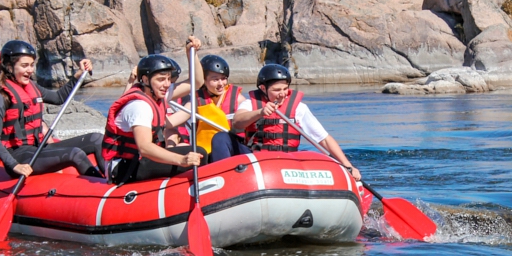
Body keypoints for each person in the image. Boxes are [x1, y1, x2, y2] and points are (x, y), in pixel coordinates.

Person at [0, 40, 105, 179]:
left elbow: (59, 97)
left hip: (38, 149)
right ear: (9, 67)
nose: (30, 70)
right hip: (19, 156)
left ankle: (112, 180)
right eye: (24, 66)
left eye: (31, 65)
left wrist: (78, 75)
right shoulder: (0, 97)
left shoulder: (32, 86)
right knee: (75, 153)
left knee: (97, 138)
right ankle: (101, 188)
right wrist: (14, 165)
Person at [232, 63, 362, 180]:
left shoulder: (299, 108)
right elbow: (237, 122)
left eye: (285, 89)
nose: (282, 94)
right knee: (223, 138)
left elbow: (324, 139)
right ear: (263, 88)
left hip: (288, 163)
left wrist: (348, 166)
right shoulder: (250, 104)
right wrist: (260, 112)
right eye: (277, 90)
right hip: (258, 163)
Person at [102, 38, 206, 184]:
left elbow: (196, 82)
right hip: (124, 168)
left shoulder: (157, 94)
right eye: (161, 79)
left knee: (195, 151)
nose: (167, 84)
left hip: (139, 160)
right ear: (145, 80)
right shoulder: (139, 106)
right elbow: (144, 147)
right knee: (199, 154)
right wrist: (181, 160)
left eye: (169, 79)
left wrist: (191, 54)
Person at [168, 54, 252, 161]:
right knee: (181, 147)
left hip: (234, 149)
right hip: (207, 152)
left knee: (221, 138)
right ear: (204, 80)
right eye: (215, 79)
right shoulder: (196, 100)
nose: (221, 83)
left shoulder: (238, 98)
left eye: (223, 78)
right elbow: (174, 120)